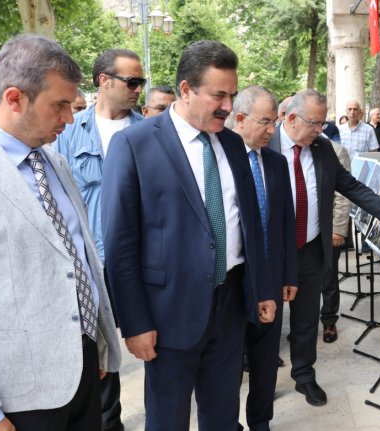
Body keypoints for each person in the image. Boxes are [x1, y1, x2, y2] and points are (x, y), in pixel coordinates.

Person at [102, 40, 274, 431]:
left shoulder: (232, 143)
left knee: (222, 414)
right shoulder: (134, 144)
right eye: (218, 95)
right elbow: (120, 244)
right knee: (167, 419)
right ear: (185, 90)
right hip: (167, 314)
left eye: (231, 94)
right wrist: (134, 322)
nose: (228, 106)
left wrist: (262, 288)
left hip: (229, 306)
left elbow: (248, 223)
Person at [0, 33, 121, 431]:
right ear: (15, 98)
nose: (70, 117)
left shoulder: (55, 162)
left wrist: (97, 343)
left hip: (83, 373)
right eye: (59, 105)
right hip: (20, 397)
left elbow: (78, 257)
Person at [268, 89, 380, 407]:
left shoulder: (322, 148)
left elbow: (348, 184)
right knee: (269, 320)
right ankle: (264, 384)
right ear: (290, 118)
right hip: (271, 252)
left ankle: (304, 376)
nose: (320, 130)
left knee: (307, 317)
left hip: (309, 248)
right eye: (315, 123)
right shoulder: (262, 144)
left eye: (323, 123)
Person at [55, 49, 145, 431]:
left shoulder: (150, 134)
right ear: (103, 81)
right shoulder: (69, 134)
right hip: (92, 263)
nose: (138, 89)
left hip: (142, 263)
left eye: (141, 81)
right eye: (132, 81)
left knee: (151, 342)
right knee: (101, 355)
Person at [232, 85, 298, 431]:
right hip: (233, 280)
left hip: (272, 277)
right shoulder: (222, 158)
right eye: (266, 123)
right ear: (240, 119)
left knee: (265, 359)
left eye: (275, 122)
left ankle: (260, 421)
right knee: (228, 362)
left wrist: (289, 275)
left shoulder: (275, 161)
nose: (273, 131)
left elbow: (285, 221)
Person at [320, 139, 351, 343]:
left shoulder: (336, 150)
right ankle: (301, 323)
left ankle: (329, 320)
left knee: (328, 277)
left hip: (328, 228)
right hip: (295, 231)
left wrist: (339, 228)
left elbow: (342, 192)